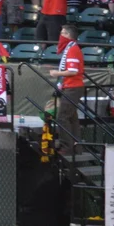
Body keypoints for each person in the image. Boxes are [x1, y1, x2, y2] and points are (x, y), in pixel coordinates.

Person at [50, 23, 84, 157]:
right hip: (72, 87)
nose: (60, 36)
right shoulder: (72, 48)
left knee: (62, 117)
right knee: (72, 118)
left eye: (62, 33)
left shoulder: (72, 49)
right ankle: (76, 148)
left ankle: (67, 147)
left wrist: (56, 73)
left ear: (68, 35)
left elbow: (73, 71)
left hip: (72, 88)